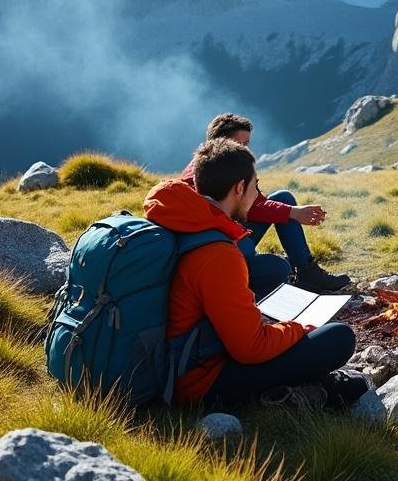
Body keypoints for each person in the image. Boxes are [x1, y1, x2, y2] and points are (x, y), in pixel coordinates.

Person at [145, 138, 366, 407]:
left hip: (184, 354)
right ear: (239, 188)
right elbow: (251, 349)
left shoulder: (184, 220)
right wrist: (299, 328)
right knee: (338, 338)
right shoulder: (219, 253)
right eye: (255, 186)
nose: (257, 196)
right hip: (200, 380)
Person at [183, 113, 350, 293]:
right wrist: (292, 212)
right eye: (238, 144)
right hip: (221, 244)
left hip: (235, 231)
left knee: (283, 198)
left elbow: (257, 202)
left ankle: (306, 272)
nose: (244, 150)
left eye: (246, 144)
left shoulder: (230, 165)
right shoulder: (202, 173)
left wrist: (290, 210)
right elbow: (253, 209)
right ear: (220, 143)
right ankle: (293, 273)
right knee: (276, 264)